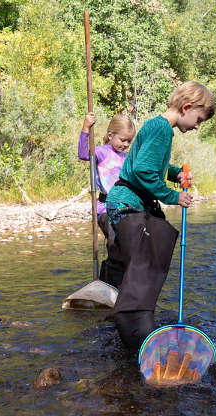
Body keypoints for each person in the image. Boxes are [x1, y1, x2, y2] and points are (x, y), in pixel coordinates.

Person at [106, 81, 215, 350]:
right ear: (187, 107)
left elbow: (149, 164)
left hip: (122, 203)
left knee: (132, 267)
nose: (197, 126)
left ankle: (124, 325)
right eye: (199, 119)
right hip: (127, 204)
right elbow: (143, 172)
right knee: (144, 265)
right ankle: (137, 332)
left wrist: (175, 172)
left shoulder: (157, 126)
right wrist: (172, 196)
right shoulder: (162, 130)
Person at [78, 113, 136, 288]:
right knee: (114, 242)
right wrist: (86, 128)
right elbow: (83, 154)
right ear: (111, 136)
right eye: (123, 140)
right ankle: (111, 285)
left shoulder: (126, 158)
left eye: (128, 142)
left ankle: (111, 282)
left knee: (122, 245)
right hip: (104, 208)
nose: (125, 145)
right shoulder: (102, 152)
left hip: (121, 208)